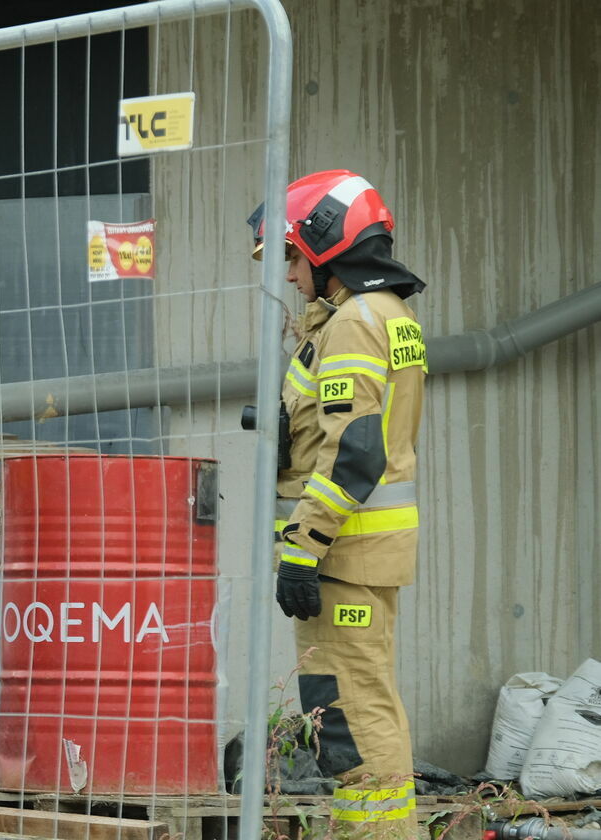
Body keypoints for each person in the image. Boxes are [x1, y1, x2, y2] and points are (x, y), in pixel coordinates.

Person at [248, 170, 426, 838]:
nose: (290, 276)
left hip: (341, 557)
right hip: (363, 556)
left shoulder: (354, 323)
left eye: (293, 256)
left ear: (327, 246)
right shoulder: (385, 316)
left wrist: (301, 548)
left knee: (350, 724)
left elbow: (353, 450)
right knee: (368, 707)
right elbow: (344, 426)